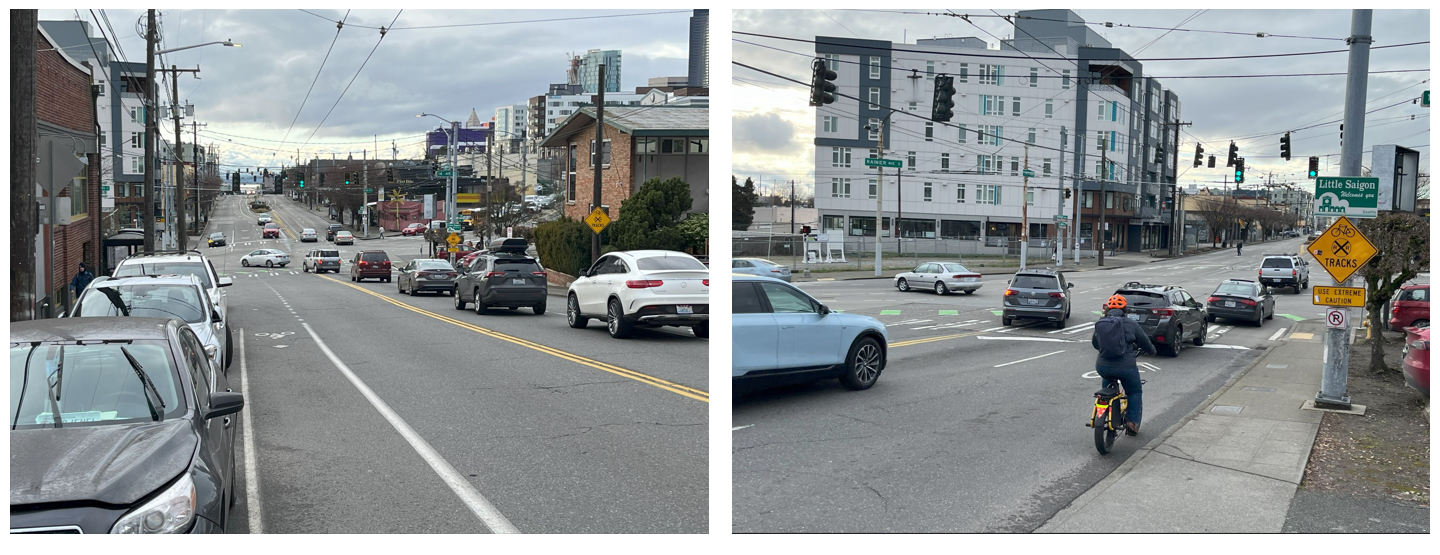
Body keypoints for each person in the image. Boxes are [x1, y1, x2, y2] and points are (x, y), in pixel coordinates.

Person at [1091, 294, 1157, 435]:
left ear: (1108, 308)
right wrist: (1151, 350)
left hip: (1102, 365)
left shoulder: (1102, 323)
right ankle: (1132, 423)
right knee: (1134, 391)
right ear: (1125, 309)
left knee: (1107, 386)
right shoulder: (1131, 324)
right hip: (1126, 366)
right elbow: (1144, 341)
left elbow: (1095, 343)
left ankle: (1107, 411)